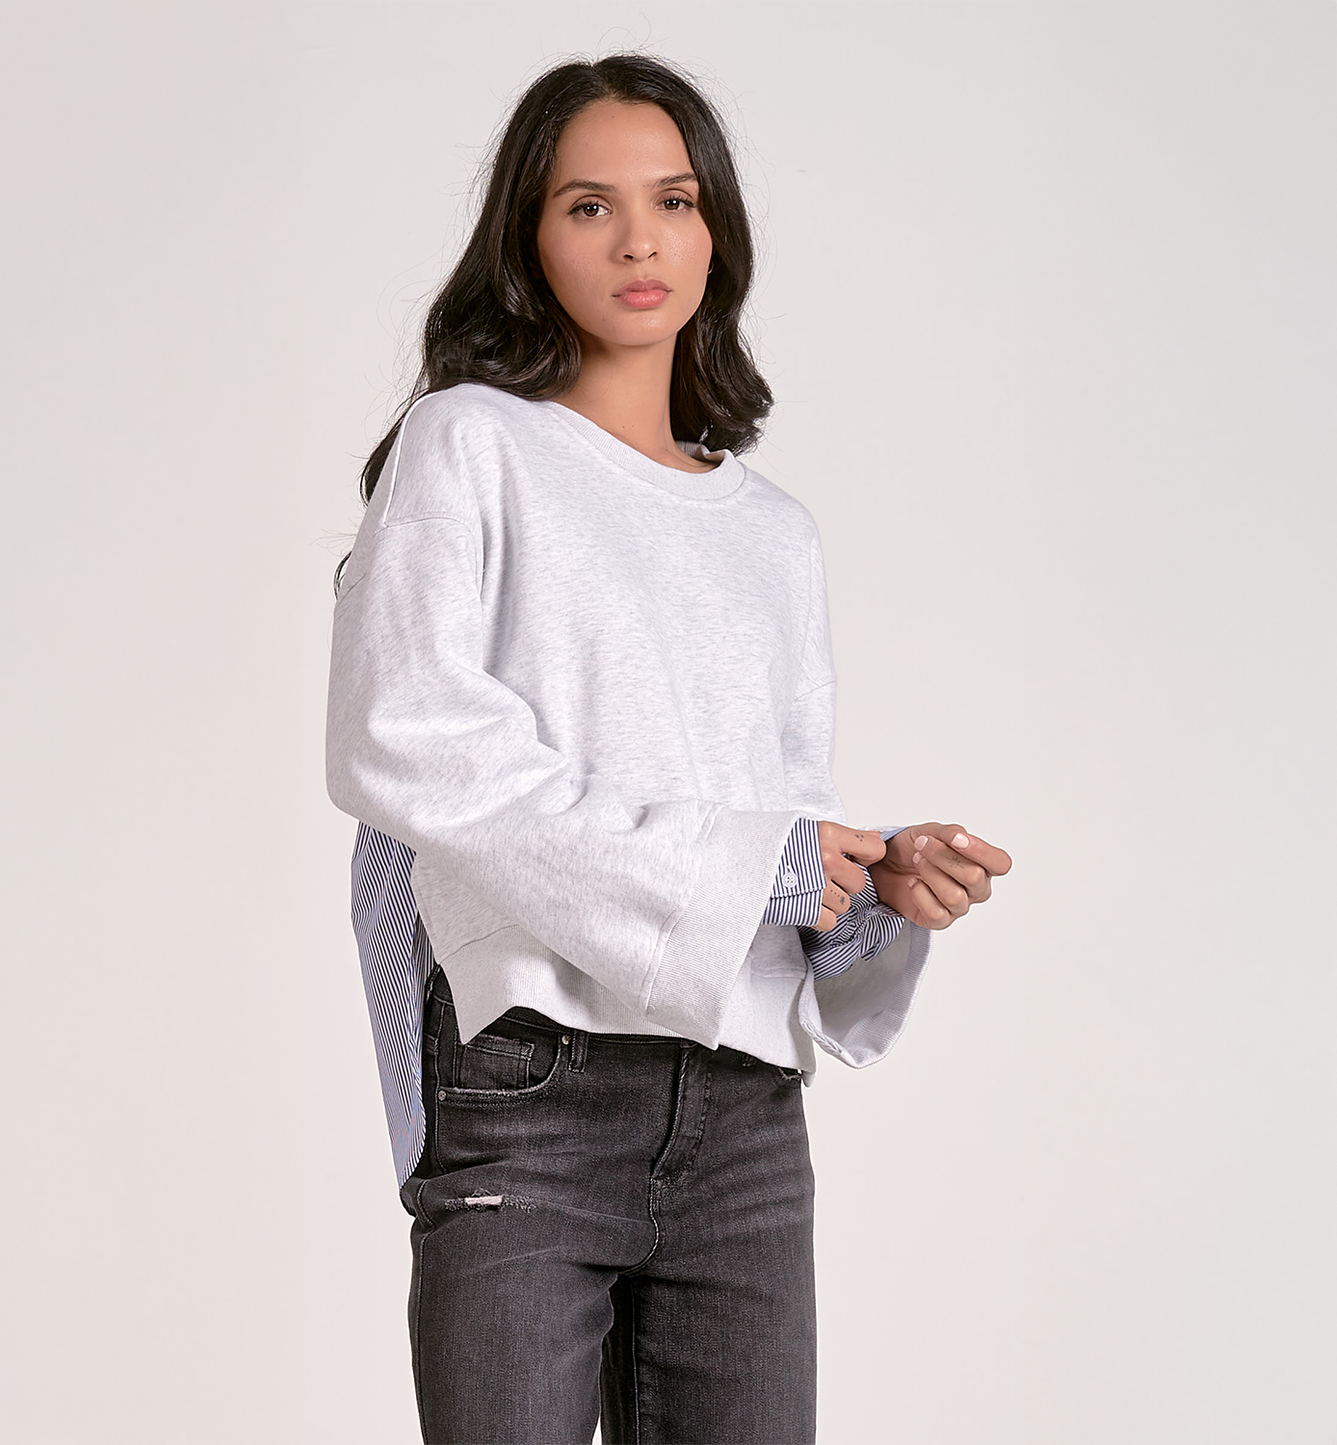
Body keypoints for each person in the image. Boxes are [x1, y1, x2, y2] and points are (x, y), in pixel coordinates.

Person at [325, 51, 1011, 1445]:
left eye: (675, 200)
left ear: (716, 232)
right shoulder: (468, 447)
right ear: (527, 236)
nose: (640, 239)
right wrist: (754, 863)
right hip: (533, 1083)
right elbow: (405, 743)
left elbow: (769, 823)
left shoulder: (774, 535)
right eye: (590, 205)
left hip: (746, 1118)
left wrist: (866, 884)